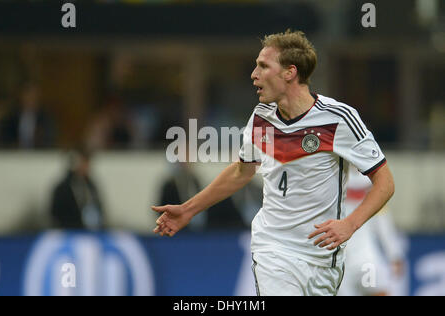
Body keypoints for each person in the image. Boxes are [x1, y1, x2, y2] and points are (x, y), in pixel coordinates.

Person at [151, 30, 395, 296]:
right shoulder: (261, 118)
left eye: (263, 66)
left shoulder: (339, 118)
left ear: (289, 73)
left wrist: (350, 224)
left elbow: (385, 182)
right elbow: (241, 172)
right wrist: (188, 209)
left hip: (323, 258)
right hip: (273, 248)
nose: (254, 74)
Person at [338, 166, 405, 296]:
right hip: (366, 262)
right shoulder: (372, 192)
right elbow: (385, 228)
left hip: (344, 262)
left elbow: (384, 227)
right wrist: (394, 256)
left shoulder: (334, 187)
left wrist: (395, 255)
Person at [50, 146, 105, 230]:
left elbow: (99, 206)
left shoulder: (91, 185)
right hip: (68, 231)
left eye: (87, 163)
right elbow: (55, 212)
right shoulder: (63, 188)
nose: (86, 167)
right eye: (83, 162)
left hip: (90, 230)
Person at [0, 82, 56, 149]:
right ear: (21, 96)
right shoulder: (10, 118)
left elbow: (50, 141)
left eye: (34, 96)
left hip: (39, 156)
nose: (31, 99)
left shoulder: (46, 119)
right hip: (13, 156)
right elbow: (3, 139)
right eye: (28, 95)